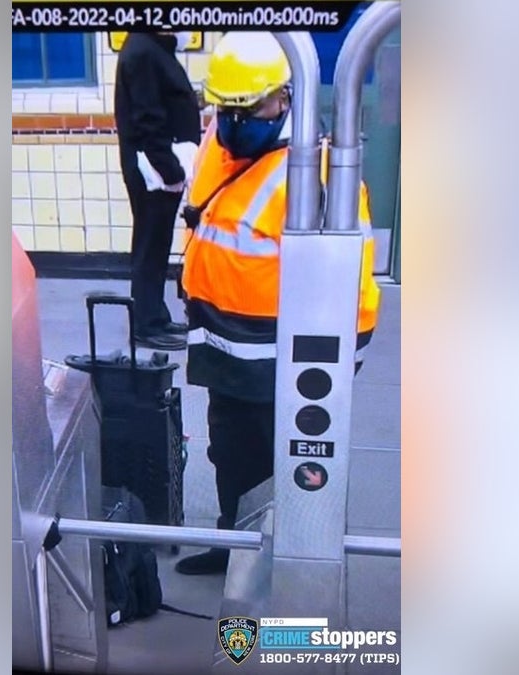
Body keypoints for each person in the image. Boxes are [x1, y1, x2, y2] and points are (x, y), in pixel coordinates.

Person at [174, 32, 381, 575]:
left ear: (286, 98)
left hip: (283, 365)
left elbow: (352, 283)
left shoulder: (319, 173)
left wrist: (338, 363)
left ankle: (287, 569)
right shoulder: (220, 139)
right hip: (221, 350)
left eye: (252, 107)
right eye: (228, 108)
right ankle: (234, 548)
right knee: (231, 458)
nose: (237, 120)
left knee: (286, 470)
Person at [114, 31, 202, 350]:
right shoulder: (143, 51)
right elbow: (147, 118)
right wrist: (171, 169)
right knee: (151, 246)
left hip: (160, 166)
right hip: (154, 169)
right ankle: (146, 325)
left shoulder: (153, 48)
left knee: (157, 244)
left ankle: (156, 316)